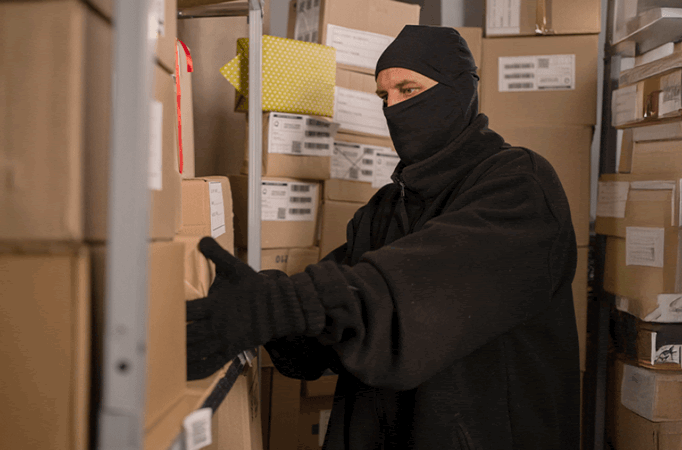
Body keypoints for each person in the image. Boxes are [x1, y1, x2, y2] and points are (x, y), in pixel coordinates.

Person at [185, 25, 580, 449]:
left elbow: (419, 291)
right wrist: (259, 303)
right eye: (384, 97)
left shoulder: (519, 184)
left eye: (409, 90)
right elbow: (333, 320)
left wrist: (278, 304)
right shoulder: (384, 208)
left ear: (460, 91)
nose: (393, 108)